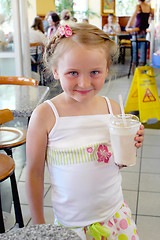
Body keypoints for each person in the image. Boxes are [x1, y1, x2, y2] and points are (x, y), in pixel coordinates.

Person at [26, 23, 144, 240]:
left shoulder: (113, 109)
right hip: (72, 225)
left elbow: (118, 163)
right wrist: (39, 226)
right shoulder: (45, 115)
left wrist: (130, 146)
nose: (84, 82)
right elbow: (34, 174)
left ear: (107, 69)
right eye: (73, 73)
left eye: (95, 72)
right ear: (55, 71)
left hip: (115, 215)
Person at [126, 0, 154, 68]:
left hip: (137, 31)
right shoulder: (149, 7)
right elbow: (153, 16)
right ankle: (142, 66)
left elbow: (132, 17)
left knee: (134, 48)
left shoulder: (138, 6)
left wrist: (127, 26)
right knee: (143, 49)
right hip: (145, 31)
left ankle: (134, 64)